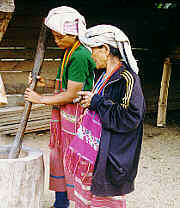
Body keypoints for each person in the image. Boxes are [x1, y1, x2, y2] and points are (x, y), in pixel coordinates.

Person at [66, 25, 145, 207]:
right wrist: (90, 102)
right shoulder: (103, 75)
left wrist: (97, 102)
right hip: (97, 152)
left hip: (112, 155)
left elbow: (129, 117)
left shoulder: (127, 78)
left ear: (106, 50)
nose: (91, 56)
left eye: (93, 50)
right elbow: (101, 105)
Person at [24, 6, 95, 208]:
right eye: (54, 36)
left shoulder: (80, 55)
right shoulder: (69, 51)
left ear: (73, 34)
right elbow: (66, 84)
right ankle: (61, 201)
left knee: (74, 157)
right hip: (65, 116)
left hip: (77, 116)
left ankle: (80, 201)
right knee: (60, 156)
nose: (56, 41)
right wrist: (45, 83)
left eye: (60, 36)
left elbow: (73, 93)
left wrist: (40, 99)